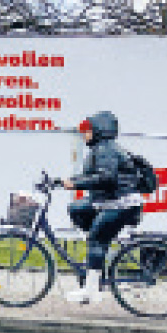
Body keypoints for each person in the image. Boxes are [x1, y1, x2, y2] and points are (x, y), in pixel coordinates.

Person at [62, 110, 144, 304]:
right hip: (112, 201)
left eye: (88, 130)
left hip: (121, 204)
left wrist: (75, 184)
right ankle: (96, 264)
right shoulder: (103, 148)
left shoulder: (106, 150)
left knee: (96, 239)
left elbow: (105, 177)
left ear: (100, 130)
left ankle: (91, 292)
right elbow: (94, 176)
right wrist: (67, 181)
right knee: (77, 209)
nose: (84, 134)